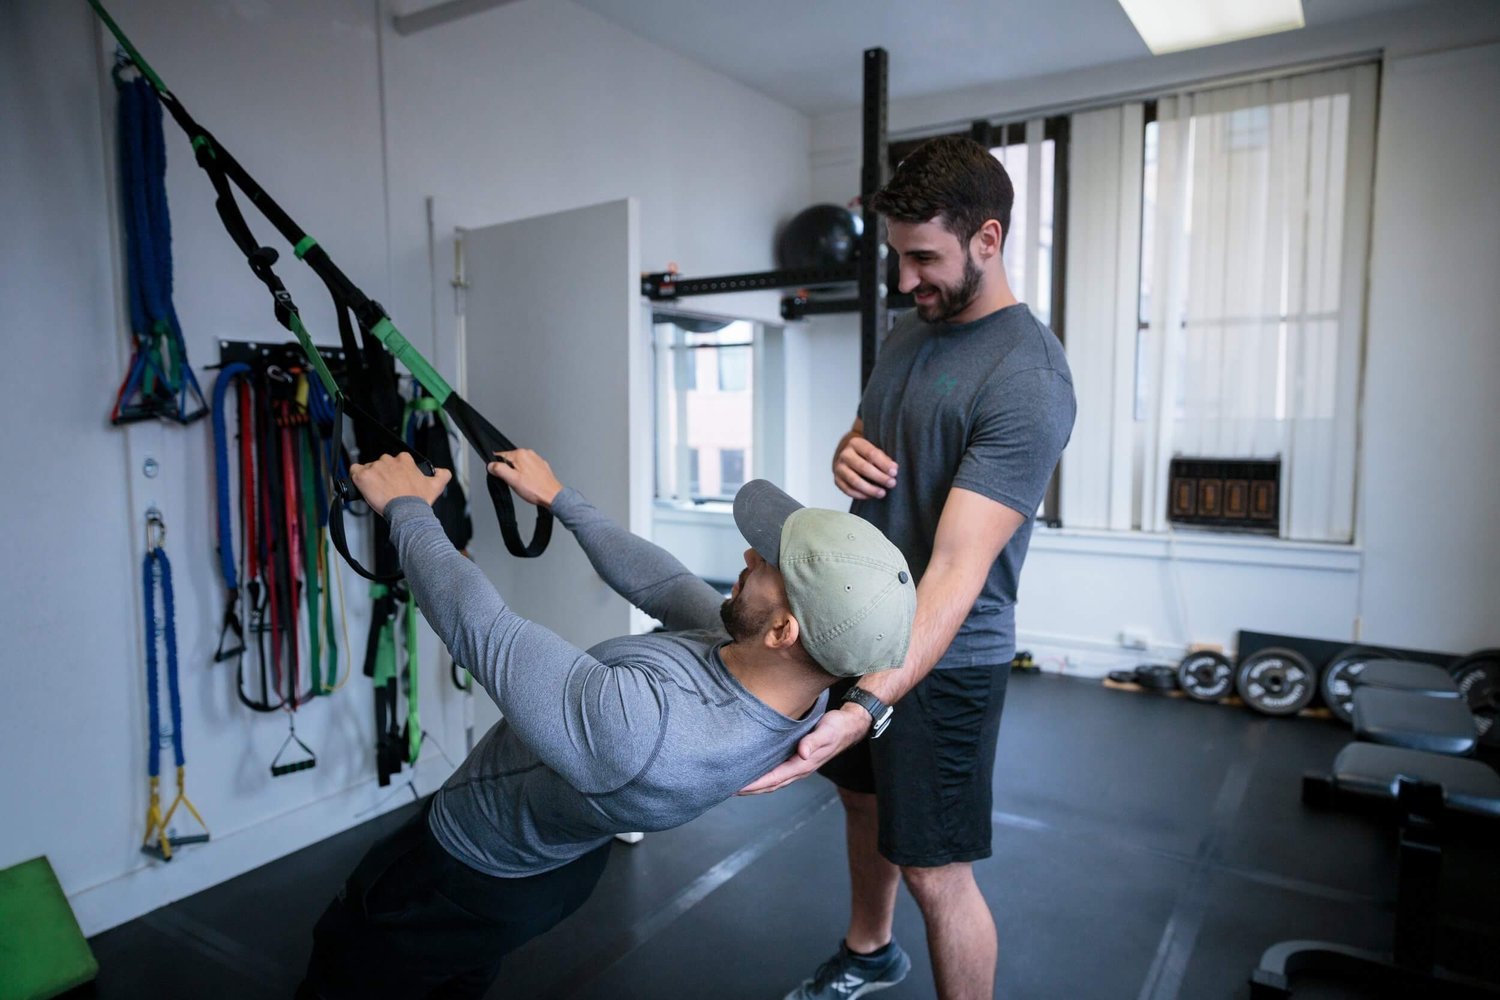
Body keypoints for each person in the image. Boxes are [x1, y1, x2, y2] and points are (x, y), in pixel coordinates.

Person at [296, 449, 916, 999]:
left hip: (466, 869)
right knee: (459, 975)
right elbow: (666, 583)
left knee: (344, 971)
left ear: (784, 632)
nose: (749, 555)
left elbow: (483, 632)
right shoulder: (787, 685)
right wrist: (561, 498)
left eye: (769, 564)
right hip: (559, 865)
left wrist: (407, 510)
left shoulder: (649, 733)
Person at [746, 136, 1077, 1000]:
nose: (904, 281)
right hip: (863, 630)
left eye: (923, 258)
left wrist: (864, 706)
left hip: (945, 656)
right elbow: (872, 442)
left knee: (937, 869)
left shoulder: (1028, 377)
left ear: (989, 240)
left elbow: (956, 574)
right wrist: (846, 453)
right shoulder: (909, 330)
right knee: (861, 808)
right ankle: (868, 950)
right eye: (898, 257)